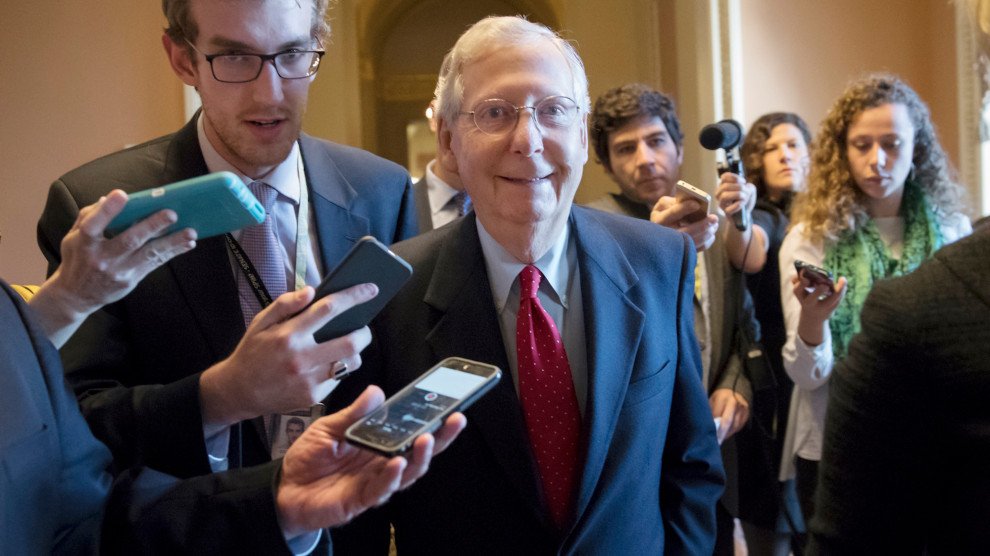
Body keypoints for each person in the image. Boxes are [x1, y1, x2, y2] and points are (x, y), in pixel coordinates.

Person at [327, 17, 724, 554]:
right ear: (448, 141)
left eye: (553, 111)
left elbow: (691, 465)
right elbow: (357, 513)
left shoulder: (659, 260)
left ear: (581, 133)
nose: (528, 141)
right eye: (495, 113)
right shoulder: (387, 295)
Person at [36, 0, 417, 485]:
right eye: (235, 57)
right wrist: (222, 395)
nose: (270, 94)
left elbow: (406, 375)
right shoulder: (97, 207)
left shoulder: (384, 190)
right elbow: (74, 427)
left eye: (292, 54)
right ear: (183, 60)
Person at [5, 191, 464, 554]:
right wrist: (224, 394)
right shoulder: (88, 194)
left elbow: (83, 523)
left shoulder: (380, 187)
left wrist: (276, 503)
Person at [778, 73, 971, 538]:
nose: (876, 160)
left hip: (936, 442)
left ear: (916, 148)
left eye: (892, 144)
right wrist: (814, 320)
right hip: (836, 442)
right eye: (861, 145)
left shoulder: (953, 232)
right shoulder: (810, 239)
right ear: (842, 151)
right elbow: (807, 376)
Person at [587, 82, 756, 554]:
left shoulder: (709, 221)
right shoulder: (592, 230)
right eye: (626, 149)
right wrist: (653, 247)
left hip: (711, 454)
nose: (645, 159)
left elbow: (743, 323)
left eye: (656, 141)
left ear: (679, 148)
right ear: (606, 165)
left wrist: (735, 384)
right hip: (635, 463)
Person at [732, 112, 813, 555]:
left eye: (793, 145)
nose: (784, 155)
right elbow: (752, 253)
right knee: (772, 505)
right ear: (756, 161)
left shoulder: (828, 215)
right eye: (771, 148)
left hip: (819, 362)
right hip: (771, 375)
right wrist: (740, 218)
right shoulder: (762, 213)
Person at [413, 101, 471, 232]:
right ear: (434, 118)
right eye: (454, 113)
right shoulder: (397, 206)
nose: (459, 130)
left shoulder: (507, 204)